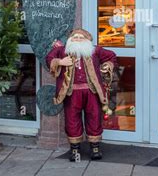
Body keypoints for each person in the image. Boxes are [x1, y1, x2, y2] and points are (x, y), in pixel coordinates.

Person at [45, 28, 117, 161]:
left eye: (81, 38)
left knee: (94, 117)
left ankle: (95, 147)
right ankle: (75, 149)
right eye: (75, 37)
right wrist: (60, 62)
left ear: (87, 40)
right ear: (70, 40)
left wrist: (107, 65)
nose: (77, 40)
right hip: (71, 92)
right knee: (72, 119)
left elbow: (111, 56)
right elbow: (49, 58)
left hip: (92, 92)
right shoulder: (62, 51)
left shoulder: (95, 51)